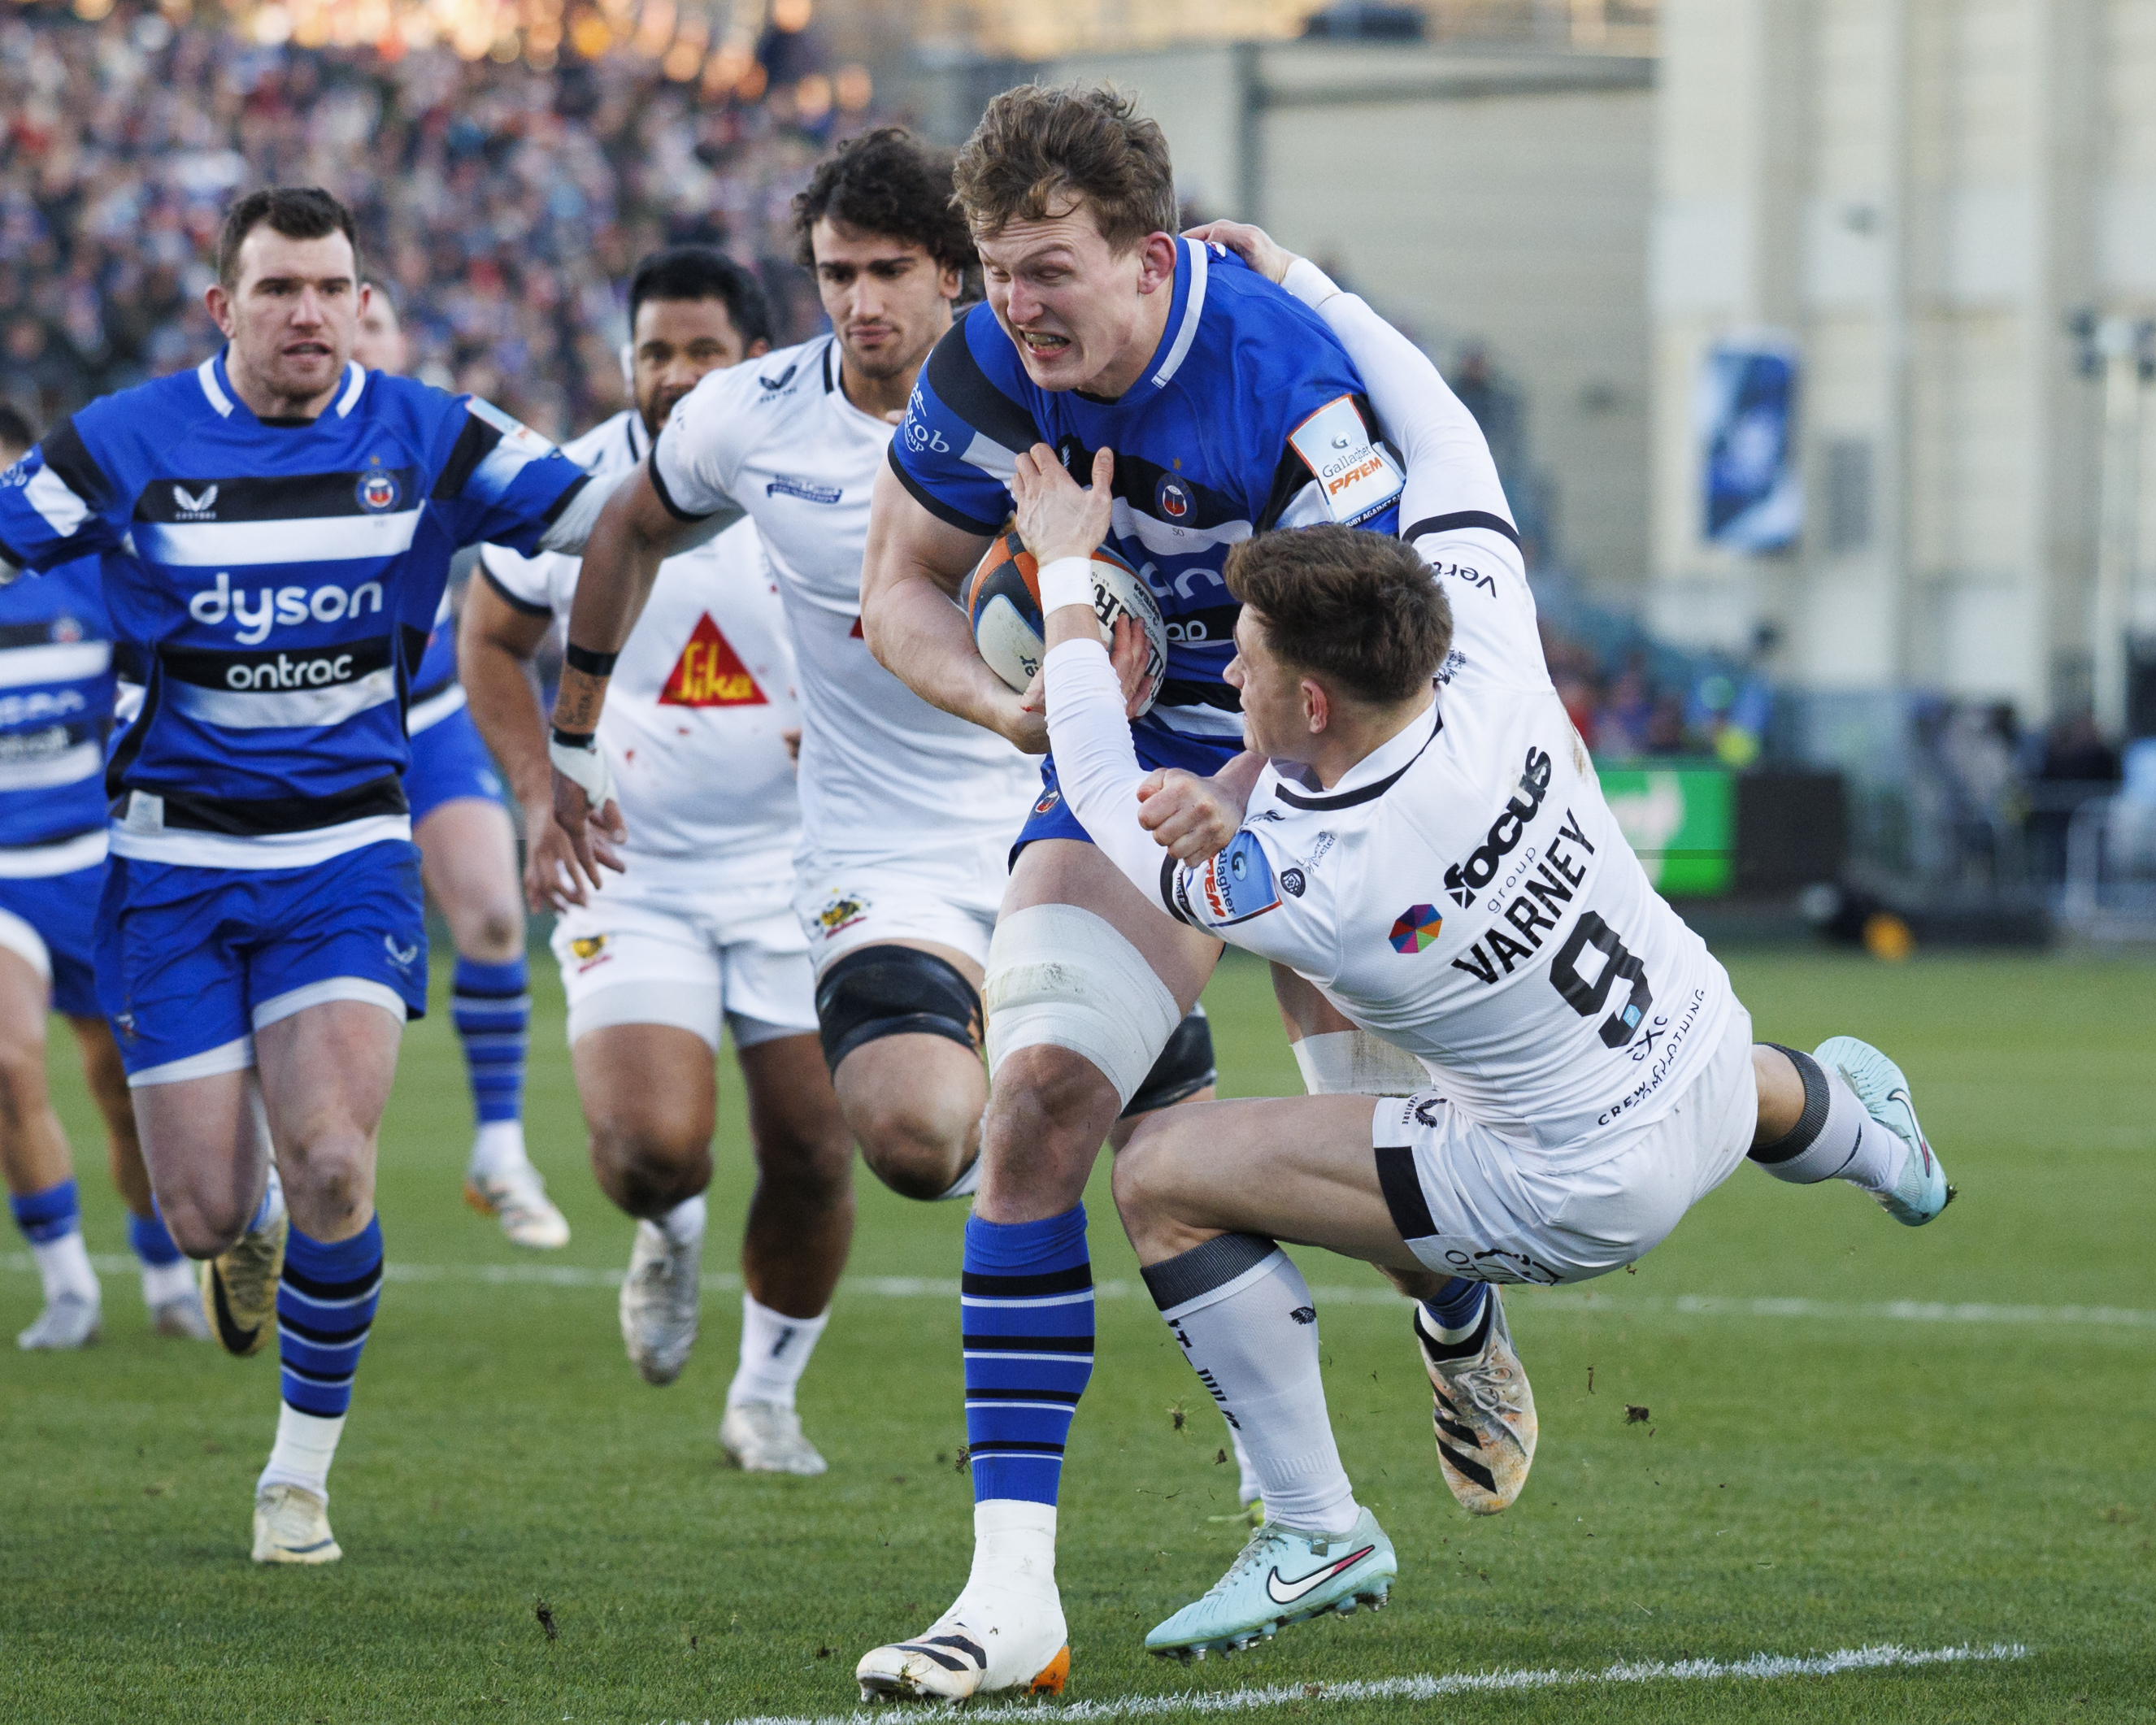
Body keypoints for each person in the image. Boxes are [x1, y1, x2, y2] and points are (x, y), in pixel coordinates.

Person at [1017, 226, 1954, 1662]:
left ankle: (1314, 1523)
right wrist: (1321, 285)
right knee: (1696, 1070)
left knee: (1160, 1176)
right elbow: (1439, 425)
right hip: (1702, 1042)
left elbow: (1094, 790)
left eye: (1249, 660)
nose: (1232, 673)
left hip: (1578, 1190)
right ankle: (1874, 1142)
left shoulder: (1313, 874)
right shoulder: (1490, 647)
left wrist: (1066, 579)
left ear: (1311, 702)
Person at [826, 87, 1408, 1703]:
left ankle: (1418, 1359)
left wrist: (1236, 795)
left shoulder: (1288, 378)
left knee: (1404, 1181)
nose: (1019, 306)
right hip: (1119, 749)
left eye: (1051, 271)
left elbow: (1382, 658)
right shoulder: (984, 366)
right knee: (1043, 1116)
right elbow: (899, 590)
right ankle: (1011, 1597)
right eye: (998, 271)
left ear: (1148, 261)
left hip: (1326, 759)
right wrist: (1022, 709)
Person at [0, 186, 619, 1564]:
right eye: (279, 289)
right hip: (168, 860)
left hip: (343, 850)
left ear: (360, 302)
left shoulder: (429, 432)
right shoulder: (124, 440)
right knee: (204, 1209)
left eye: (333, 287)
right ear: (224, 308)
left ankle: (297, 1477)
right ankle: (249, 1220)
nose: (310, 313)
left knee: (337, 1156)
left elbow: (611, 511)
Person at [549, 137, 1216, 1220]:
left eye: (887, 270)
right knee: (912, 1140)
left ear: (949, 272)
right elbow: (626, 528)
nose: (858, 300)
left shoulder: (1061, 393)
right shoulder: (748, 414)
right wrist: (574, 732)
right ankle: (1014, 1075)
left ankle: (1446, 1321)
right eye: (834, 272)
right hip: (880, 845)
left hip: (1074, 819)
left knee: (1178, 1162)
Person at [463, 248, 859, 1474]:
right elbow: (490, 641)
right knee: (649, 1151)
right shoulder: (571, 484)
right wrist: (542, 794)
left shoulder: (829, 465)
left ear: (755, 358)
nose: (675, 377)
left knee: (814, 1146)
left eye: (701, 352)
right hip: (630, 871)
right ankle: (671, 1230)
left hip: (805, 869)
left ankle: (764, 1397)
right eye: (653, 353)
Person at [351, 283, 565, 1250]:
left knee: (488, 911)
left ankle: (499, 1149)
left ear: (400, 341)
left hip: (429, 718)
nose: (349, 340)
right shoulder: (256, 448)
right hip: (309, 734)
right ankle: (269, 1168)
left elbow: (560, 503)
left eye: (370, 322)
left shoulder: (429, 434)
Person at [0, 405, 206, 1348]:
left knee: (125, 1088)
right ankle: (68, 1284)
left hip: (95, 862)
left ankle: (165, 1273)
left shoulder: (92, 570)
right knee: (9, 1066)